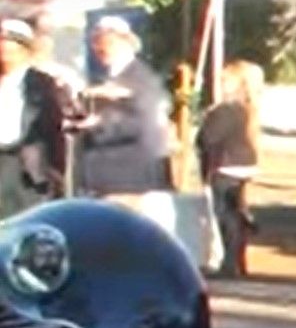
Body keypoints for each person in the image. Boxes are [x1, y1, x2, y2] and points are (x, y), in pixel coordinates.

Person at [72, 15, 171, 199]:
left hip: (128, 181)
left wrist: (98, 124)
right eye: (96, 43)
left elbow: (143, 122)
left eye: (105, 42)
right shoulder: (110, 79)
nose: (99, 49)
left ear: (124, 43)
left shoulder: (141, 79)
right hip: (107, 180)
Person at [197, 60, 263, 278]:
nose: (221, 84)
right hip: (244, 163)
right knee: (236, 211)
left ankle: (230, 261)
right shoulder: (247, 109)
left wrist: (206, 121)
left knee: (225, 214)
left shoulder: (226, 110)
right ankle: (238, 259)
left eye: (225, 80)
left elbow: (209, 137)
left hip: (226, 164)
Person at [0, 19, 68, 215]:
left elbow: (54, 131)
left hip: (29, 170)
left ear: (24, 49)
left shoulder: (43, 85)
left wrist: (55, 171)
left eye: (10, 44)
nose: (4, 49)